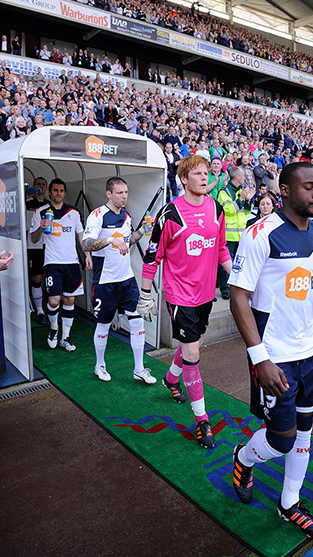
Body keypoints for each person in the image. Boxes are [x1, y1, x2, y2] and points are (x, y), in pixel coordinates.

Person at [229, 162, 313, 542]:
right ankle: (243, 457)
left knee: (305, 429)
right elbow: (238, 295)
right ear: (285, 190)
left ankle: (289, 503)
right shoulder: (262, 234)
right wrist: (261, 358)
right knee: (281, 439)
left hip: (310, 355)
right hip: (275, 356)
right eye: (309, 187)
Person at [137, 154, 232, 448]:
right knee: (192, 354)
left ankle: (170, 378)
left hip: (206, 294)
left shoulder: (217, 209)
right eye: (198, 174)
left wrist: (241, 278)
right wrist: (144, 294)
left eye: (207, 173)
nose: (205, 178)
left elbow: (222, 249)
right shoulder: (170, 214)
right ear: (183, 179)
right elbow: (153, 256)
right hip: (180, 295)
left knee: (194, 346)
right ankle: (202, 420)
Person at [82, 177, 156, 384]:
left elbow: (129, 240)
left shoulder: (126, 215)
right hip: (106, 282)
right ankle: (99, 365)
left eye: (126, 192)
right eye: (119, 193)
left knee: (137, 320)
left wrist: (141, 230)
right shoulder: (98, 215)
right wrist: (109, 240)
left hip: (127, 279)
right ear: (109, 194)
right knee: (103, 325)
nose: (124, 196)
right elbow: (86, 243)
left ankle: (139, 369)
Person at [30, 178, 92, 351]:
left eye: (61, 190)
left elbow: (81, 236)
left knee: (70, 299)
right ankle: (53, 328)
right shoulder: (41, 211)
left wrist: (87, 255)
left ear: (64, 193)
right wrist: (41, 227)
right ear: (50, 192)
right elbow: (33, 238)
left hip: (71, 262)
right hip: (52, 262)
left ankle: (66, 336)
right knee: (54, 300)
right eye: (55, 190)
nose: (58, 193)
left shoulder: (73, 212)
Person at [217, 167, 254, 299]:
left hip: (241, 233)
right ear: (237, 177)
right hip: (228, 234)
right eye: (243, 176)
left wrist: (248, 200)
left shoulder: (241, 191)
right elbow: (228, 210)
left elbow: (246, 212)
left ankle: (238, 286)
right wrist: (241, 199)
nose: (245, 178)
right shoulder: (224, 192)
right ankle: (225, 288)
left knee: (240, 262)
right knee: (224, 261)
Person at [26, 177, 49, 324]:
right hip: (28, 245)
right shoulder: (26, 203)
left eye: (43, 185)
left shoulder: (49, 205)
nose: (40, 187)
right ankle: (34, 309)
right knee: (30, 278)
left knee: (39, 278)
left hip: (44, 246)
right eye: (38, 184)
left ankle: (42, 310)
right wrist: (29, 193)